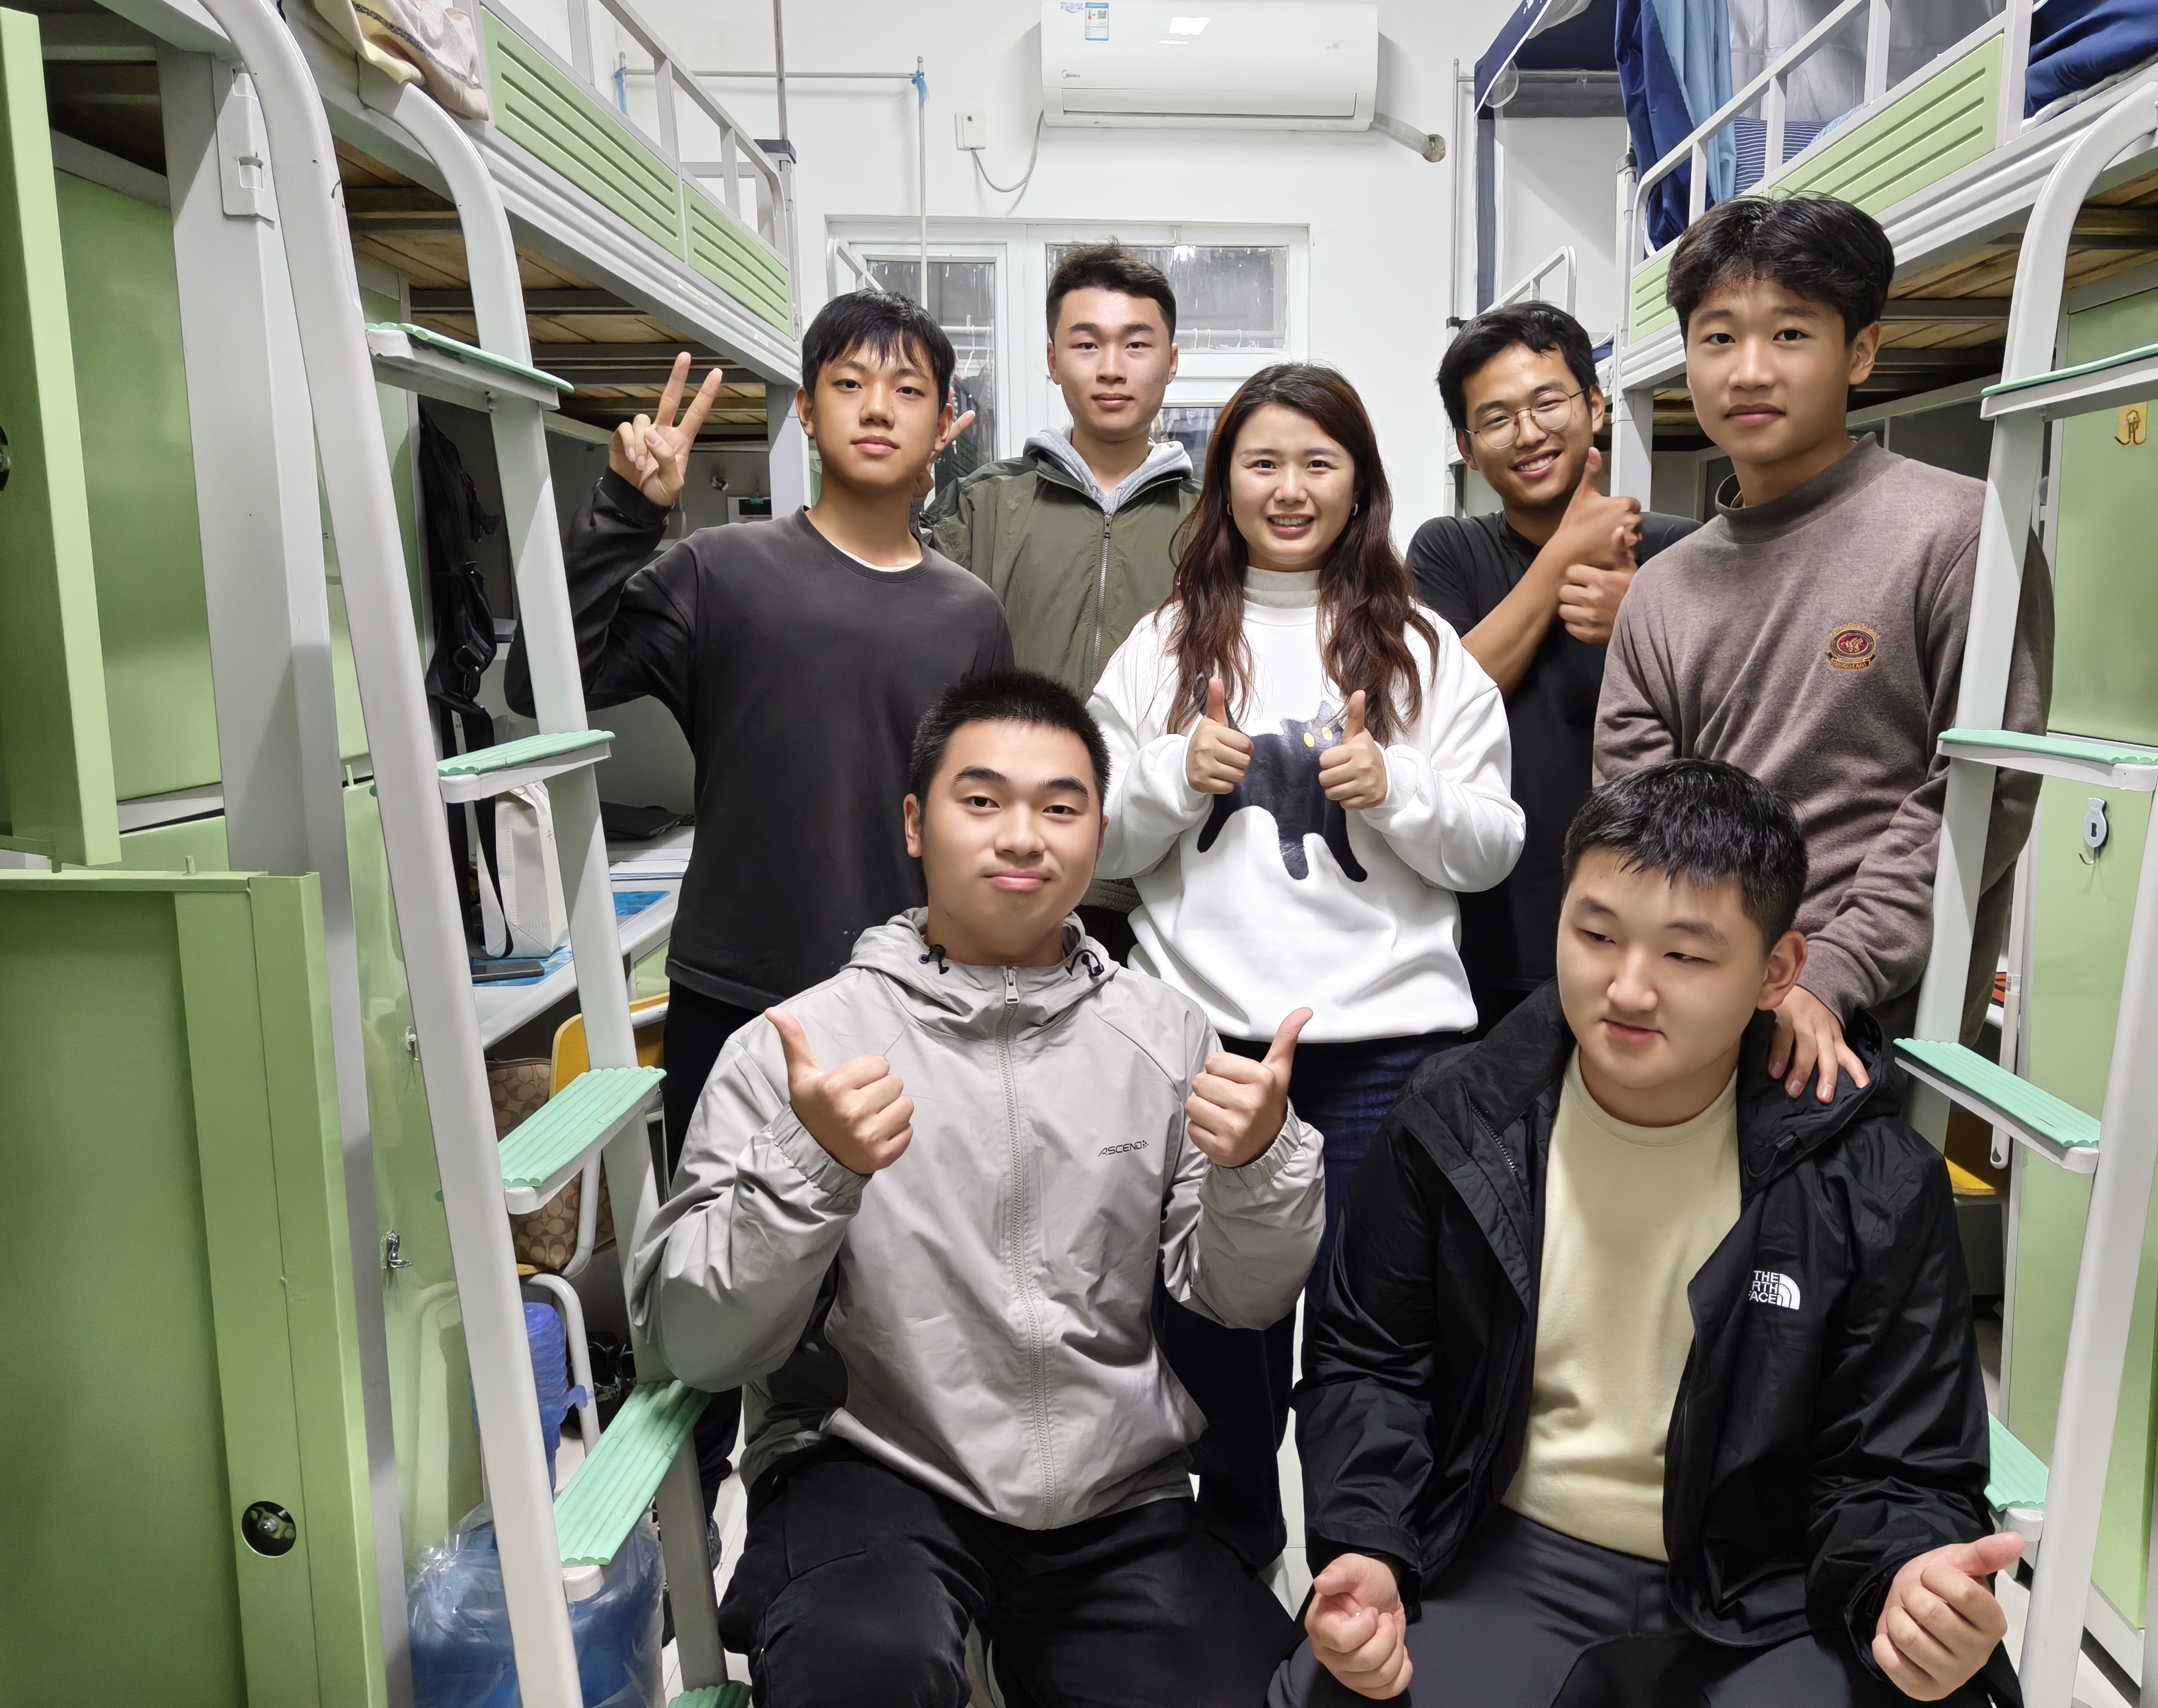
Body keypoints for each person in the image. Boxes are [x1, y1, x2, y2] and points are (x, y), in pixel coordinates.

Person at [635, 670, 1323, 1708]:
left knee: (1262, 1689)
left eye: (1060, 808)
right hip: (868, 1464)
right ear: (916, 825)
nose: (1022, 837)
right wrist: (812, 1167)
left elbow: (1243, 1296)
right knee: (863, 1669)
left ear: (1100, 835)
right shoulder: (802, 1045)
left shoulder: (1165, 1033)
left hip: (1112, 1488)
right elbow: (694, 1342)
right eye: (983, 800)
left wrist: (1260, 1164)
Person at [1278, 761, 2022, 1708]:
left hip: (1764, 1584)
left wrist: (1907, 1581)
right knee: (1327, 1688)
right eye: (1595, 935)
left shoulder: (1872, 1182)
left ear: (1778, 971)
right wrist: (1369, 1544)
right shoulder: (1455, 1121)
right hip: (1506, 1548)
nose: (1628, 989)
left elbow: (1900, 1463)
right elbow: (1371, 1363)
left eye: (1686, 957)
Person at [512, 291, 1012, 1515]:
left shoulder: (969, 615)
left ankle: (845, 1548)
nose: (877, 408)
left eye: (907, 389)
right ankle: (681, 1561)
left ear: (945, 426)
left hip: (906, 1015)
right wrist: (624, 509)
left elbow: (983, 822)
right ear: (805, 413)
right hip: (734, 1003)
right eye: (849, 383)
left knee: (889, 1311)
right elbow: (543, 680)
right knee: (703, 1307)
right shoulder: (718, 571)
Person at [1089, 361, 1523, 1570]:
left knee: (1371, 1337)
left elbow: (1494, 846)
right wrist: (1175, 774)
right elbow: (1092, 839)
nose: (1289, 489)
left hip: (1387, 1051)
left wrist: (1395, 789)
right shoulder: (1163, 644)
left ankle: (1360, 1572)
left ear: (1359, 483)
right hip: (1204, 1048)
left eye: (1316, 463)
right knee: (1213, 1331)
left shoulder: (1424, 648)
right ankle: (1234, 1570)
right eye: (1262, 462)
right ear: (1223, 481)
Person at [1593, 194, 2051, 1105]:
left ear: (1862, 351)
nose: (1749, 370)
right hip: (1697, 1011)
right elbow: (1633, 817)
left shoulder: (1961, 534)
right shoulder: (1662, 589)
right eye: (1718, 338)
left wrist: (1830, 971)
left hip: (1868, 1021)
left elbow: (1980, 792)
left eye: (1791, 334)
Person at [1409, 301, 1701, 1033]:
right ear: (1467, 447)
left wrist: (1641, 617)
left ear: (1594, 405)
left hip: (1649, 930)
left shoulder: (1682, 551)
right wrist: (1565, 553)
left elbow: (1734, 718)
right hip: (1485, 926)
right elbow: (1444, 698)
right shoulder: (1449, 550)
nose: (1529, 432)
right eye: (1497, 418)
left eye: (1547, 402)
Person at [925, 242, 1200, 961]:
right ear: (1052, 360)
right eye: (1086, 343)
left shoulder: (1218, 523)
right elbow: (895, 632)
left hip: (1166, 881)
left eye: (1136, 344)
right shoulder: (983, 506)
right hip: (1004, 866)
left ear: (1171, 361)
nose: (1111, 367)